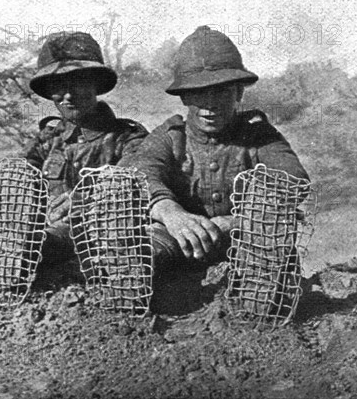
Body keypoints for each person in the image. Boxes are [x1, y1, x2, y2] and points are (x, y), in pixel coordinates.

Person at [0, 31, 148, 280]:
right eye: (58, 85)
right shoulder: (50, 138)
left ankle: (20, 252)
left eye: (78, 82)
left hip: (86, 236)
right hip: (32, 225)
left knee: (67, 231)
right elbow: (18, 170)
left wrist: (84, 200)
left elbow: (137, 182)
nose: (68, 95)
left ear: (95, 83)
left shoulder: (126, 137)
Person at [119, 26, 309, 273]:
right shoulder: (172, 135)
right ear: (184, 97)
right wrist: (170, 212)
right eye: (199, 93)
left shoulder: (258, 136)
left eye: (221, 91)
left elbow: (293, 179)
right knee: (140, 259)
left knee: (267, 263)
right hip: (181, 239)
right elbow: (139, 171)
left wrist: (236, 222)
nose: (210, 104)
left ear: (239, 92)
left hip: (244, 239)